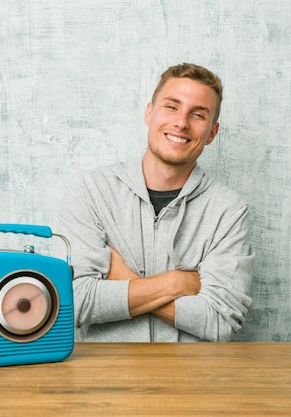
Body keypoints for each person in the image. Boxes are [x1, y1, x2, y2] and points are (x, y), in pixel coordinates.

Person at [59, 63, 254, 342]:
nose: (181, 122)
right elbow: (75, 302)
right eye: (172, 107)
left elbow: (220, 321)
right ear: (149, 113)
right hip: (106, 380)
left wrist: (124, 280)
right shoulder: (91, 190)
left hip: (191, 382)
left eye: (198, 114)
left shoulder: (228, 211)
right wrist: (175, 283)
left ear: (212, 133)